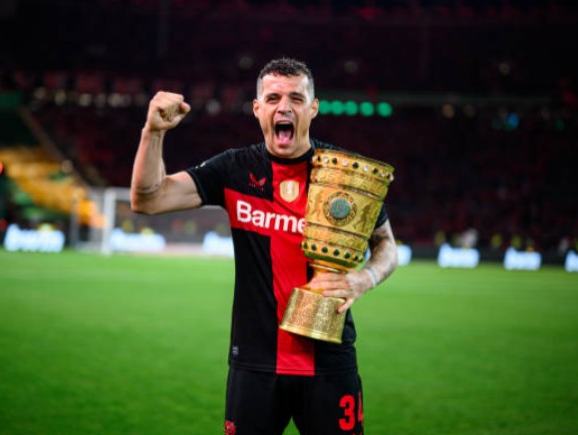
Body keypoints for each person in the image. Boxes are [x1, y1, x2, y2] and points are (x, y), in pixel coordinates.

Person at [131, 58, 398, 435]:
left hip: (329, 360)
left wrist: (364, 279)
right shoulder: (234, 169)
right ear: (257, 109)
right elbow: (148, 199)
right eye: (273, 98)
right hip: (255, 364)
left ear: (313, 108)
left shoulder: (343, 175)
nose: (284, 107)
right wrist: (153, 133)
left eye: (296, 98)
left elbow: (387, 245)